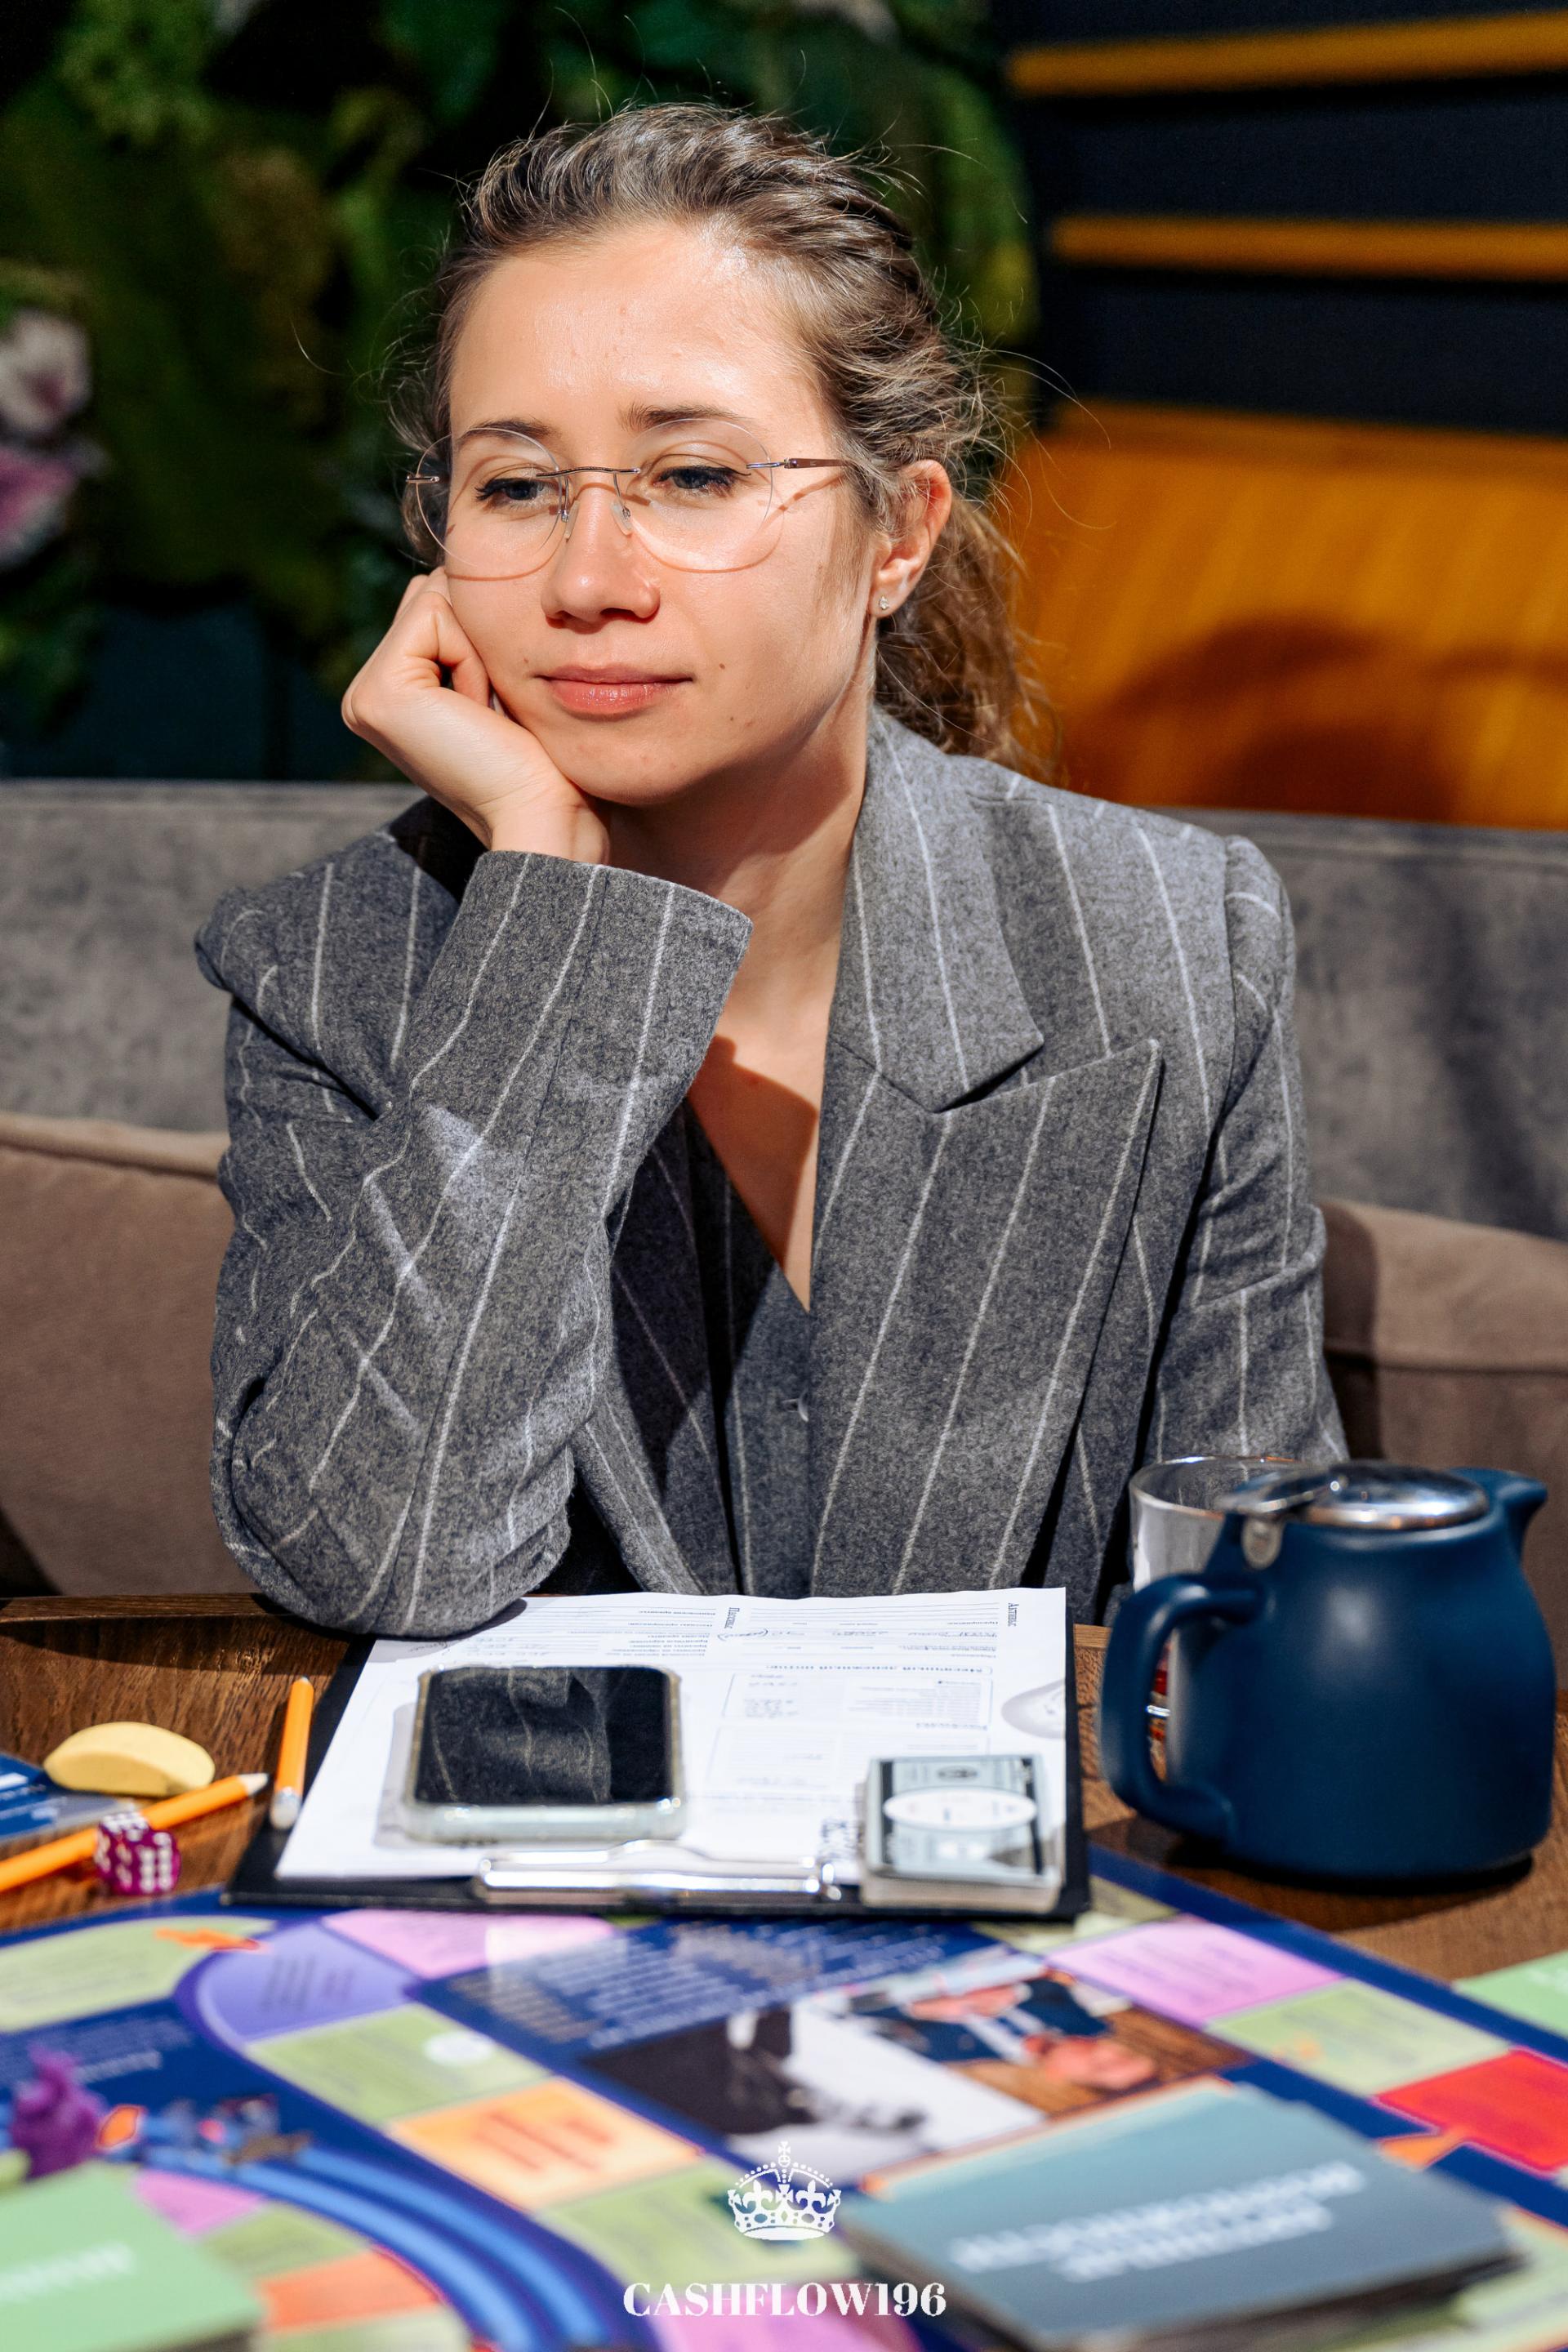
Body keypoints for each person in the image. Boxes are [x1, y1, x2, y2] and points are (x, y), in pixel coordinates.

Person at [198, 105, 1343, 1639]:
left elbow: (1259, 1595)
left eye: (692, 476)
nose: (587, 581)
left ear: (898, 535)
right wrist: (550, 913)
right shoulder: (330, 968)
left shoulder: (1169, 945)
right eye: (517, 488)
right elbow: (381, 1563)